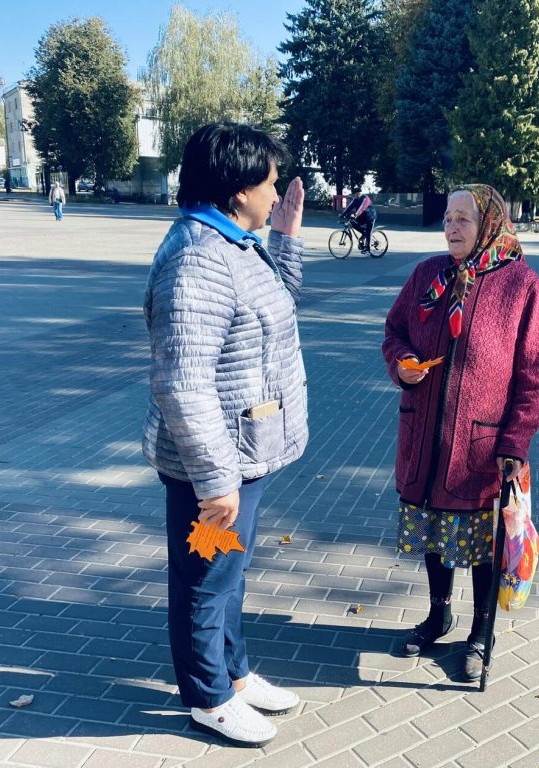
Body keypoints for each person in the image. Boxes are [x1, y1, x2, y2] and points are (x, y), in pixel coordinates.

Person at [142, 122, 308, 747]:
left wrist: (286, 237)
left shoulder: (234, 242)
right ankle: (208, 696)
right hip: (212, 468)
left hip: (244, 456)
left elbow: (276, 305)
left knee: (228, 573)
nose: (275, 195)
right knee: (206, 580)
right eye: (269, 184)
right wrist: (215, 482)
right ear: (238, 190)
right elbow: (182, 383)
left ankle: (234, 674)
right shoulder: (197, 258)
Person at [381, 184, 539, 680]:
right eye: (448, 218)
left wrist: (515, 442)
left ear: (488, 224)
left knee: (481, 544)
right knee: (435, 531)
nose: (451, 228)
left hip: (482, 446)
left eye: (463, 219)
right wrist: (402, 363)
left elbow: (534, 374)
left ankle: (481, 630)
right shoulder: (427, 275)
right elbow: (395, 331)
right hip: (425, 438)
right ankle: (439, 615)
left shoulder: (520, 284)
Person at [340, 189, 377, 253]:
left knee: (369, 232)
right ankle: (364, 233)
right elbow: (350, 207)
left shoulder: (365, 198)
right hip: (362, 217)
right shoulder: (355, 200)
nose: (357, 195)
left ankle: (368, 248)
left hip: (370, 217)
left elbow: (362, 208)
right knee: (352, 223)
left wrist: (355, 214)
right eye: (356, 194)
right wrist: (343, 214)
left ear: (361, 193)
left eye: (358, 193)